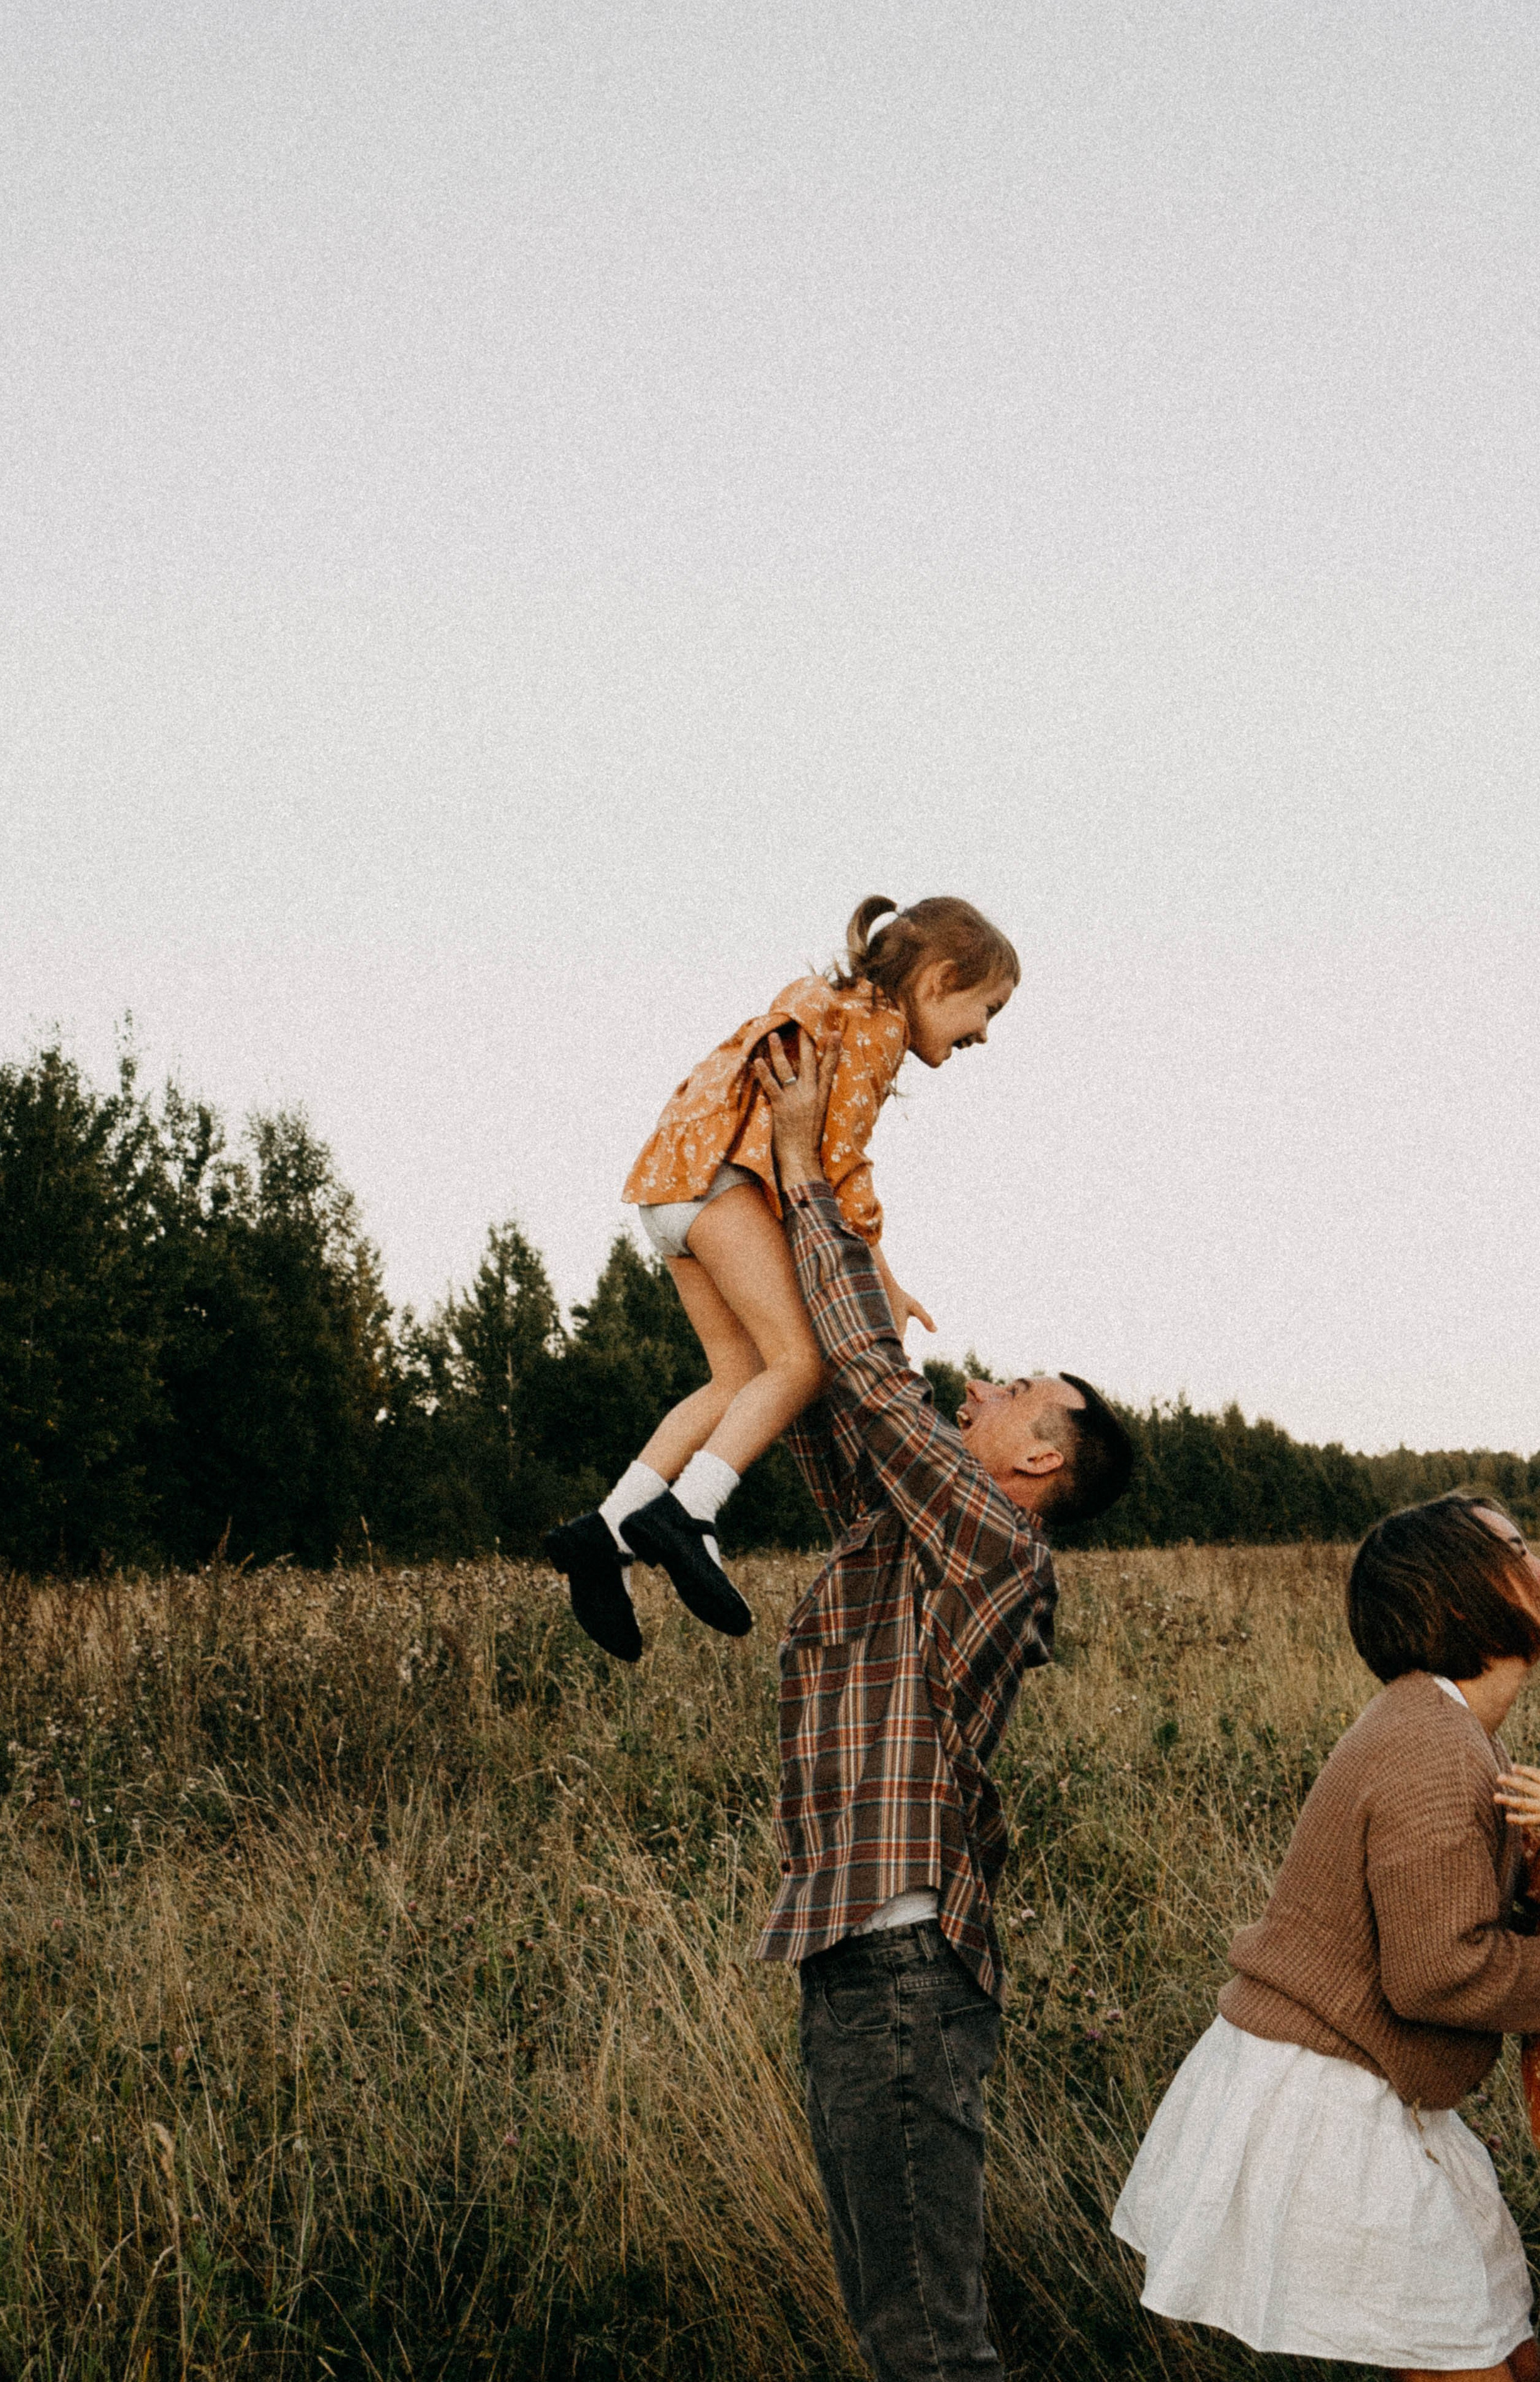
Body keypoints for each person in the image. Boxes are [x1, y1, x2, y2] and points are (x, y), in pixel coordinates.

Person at [753, 1025, 1133, 2382]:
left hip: (900, 1976)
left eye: (1011, 1387)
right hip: (858, 1966)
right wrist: (809, 1194)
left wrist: (802, 1173)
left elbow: (872, 1379)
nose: (973, 1383)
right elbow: (824, 1409)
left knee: (932, 2351)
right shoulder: (916, 1534)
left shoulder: (992, 1539)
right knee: (899, 2333)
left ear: (1038, 1453)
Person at [1112, 1493, 1540, 2382]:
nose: (1539, 1558)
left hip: (1375, 2094)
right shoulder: (1434, 1740)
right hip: (1329, 2106)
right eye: (1516, 1545)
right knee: (1475, 2369)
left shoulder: (1453, 1729)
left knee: (1506, 2351)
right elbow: (1439, 1975)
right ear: (1461, 1598)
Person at [542, 894, 1020, 1662]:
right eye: (986, 1008)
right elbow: (841, 1166)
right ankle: (689, 1514)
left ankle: (603, 1533)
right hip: (722, 1181)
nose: (986, 1034)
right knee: (801, 1362)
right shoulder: (878, 1026)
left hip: (669, 1182)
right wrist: (879, 1270)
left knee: (734, 1379)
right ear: (939, 980)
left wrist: (881, 1269)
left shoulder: (835, 1005)